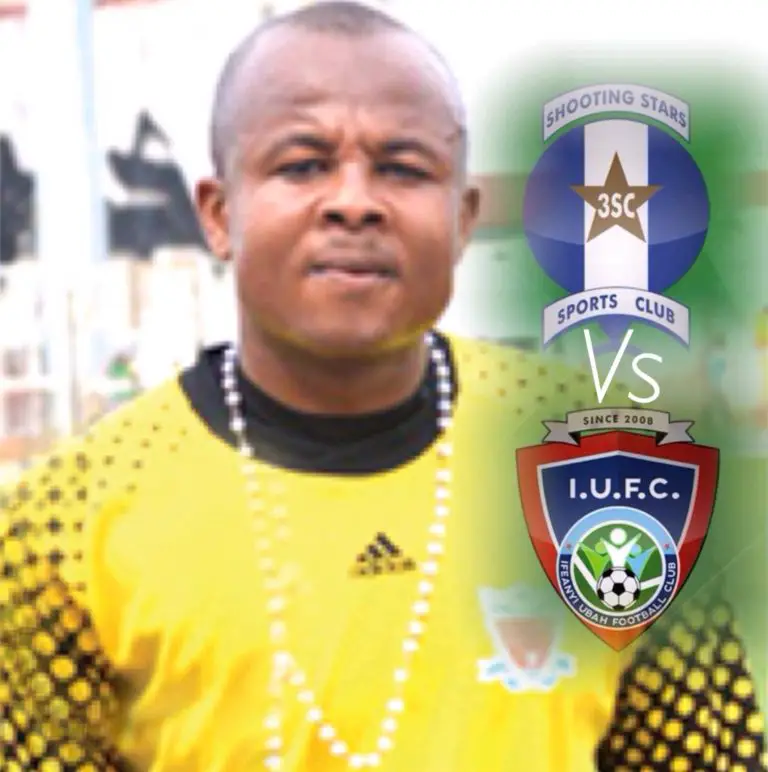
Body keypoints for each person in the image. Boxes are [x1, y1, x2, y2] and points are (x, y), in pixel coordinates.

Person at [0, 3, 764, 770]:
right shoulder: (64, 524)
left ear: (463, 220)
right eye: (302, 164)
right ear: (220, 214)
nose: (354, 202)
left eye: (403, 168)